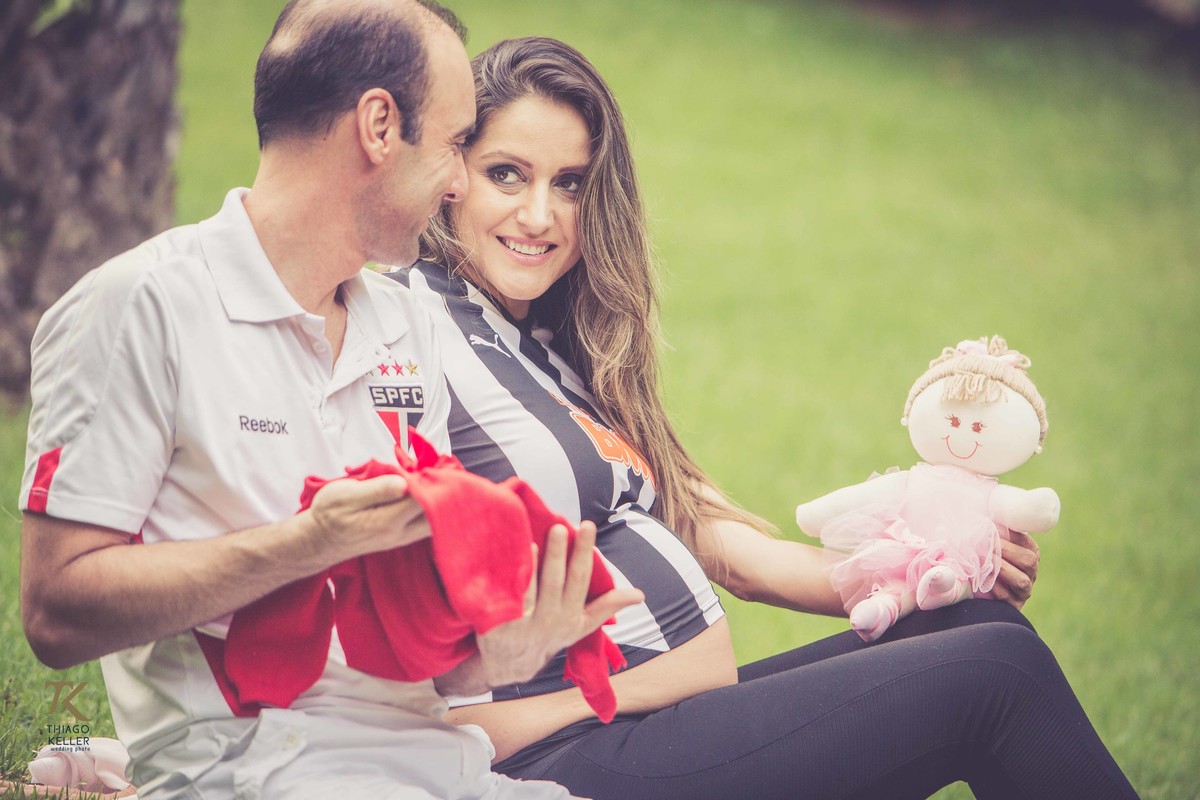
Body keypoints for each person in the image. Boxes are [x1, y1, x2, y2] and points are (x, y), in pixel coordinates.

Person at [394, 36, 1141, 799]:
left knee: (982, 630)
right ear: (452, 175)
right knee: (997, 677)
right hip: (563, 751)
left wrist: (927, 567)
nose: (541, 214)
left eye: (572, 182)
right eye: (507, 174)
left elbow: (732, 555)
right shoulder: (407, 327)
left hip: (653, 725)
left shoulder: (547, 351)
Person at [18, 6, 639, 800]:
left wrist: (506, 650)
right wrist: (306, 543)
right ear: (379, 125)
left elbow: (432, 663)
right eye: (454, 145)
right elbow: (54, 614)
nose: (458, 182)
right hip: (256, 772)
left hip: (446, 768)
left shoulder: (405, 321)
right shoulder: (139, 305)